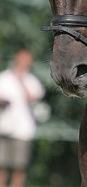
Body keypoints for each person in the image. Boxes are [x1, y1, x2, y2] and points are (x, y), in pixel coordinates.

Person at [0, 50, 45, 187]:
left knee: (19, 167)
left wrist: (21, 80)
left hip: (23, 130)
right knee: (1, 165)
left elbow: (33, 98)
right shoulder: (4, 78)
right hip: (3, 128)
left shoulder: (32, 80)